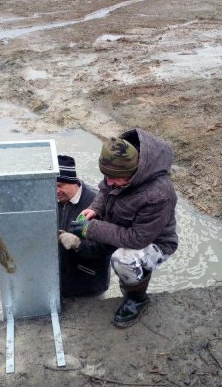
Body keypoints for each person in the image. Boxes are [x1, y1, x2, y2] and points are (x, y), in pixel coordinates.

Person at [71, 128, 178, 328]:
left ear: (134, 173)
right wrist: (94, 209)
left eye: (115, 179)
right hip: (125, 228)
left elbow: (138, 239)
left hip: (155, 242)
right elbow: (105, 190)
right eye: (106, 176)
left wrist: (91, 229)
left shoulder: (160, 194)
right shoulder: (117, 170)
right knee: (100, 245)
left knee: (124, 259)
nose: (109, 181)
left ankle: (136, 299)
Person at [57, 155, 111, 298]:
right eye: (51, 185)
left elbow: (106, 247)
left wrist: (78, 244)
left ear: (73, 181)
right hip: (62, 284)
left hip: (90, 286)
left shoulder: (96, 203)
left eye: (60, 185)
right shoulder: (53, 200)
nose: (56, 191)